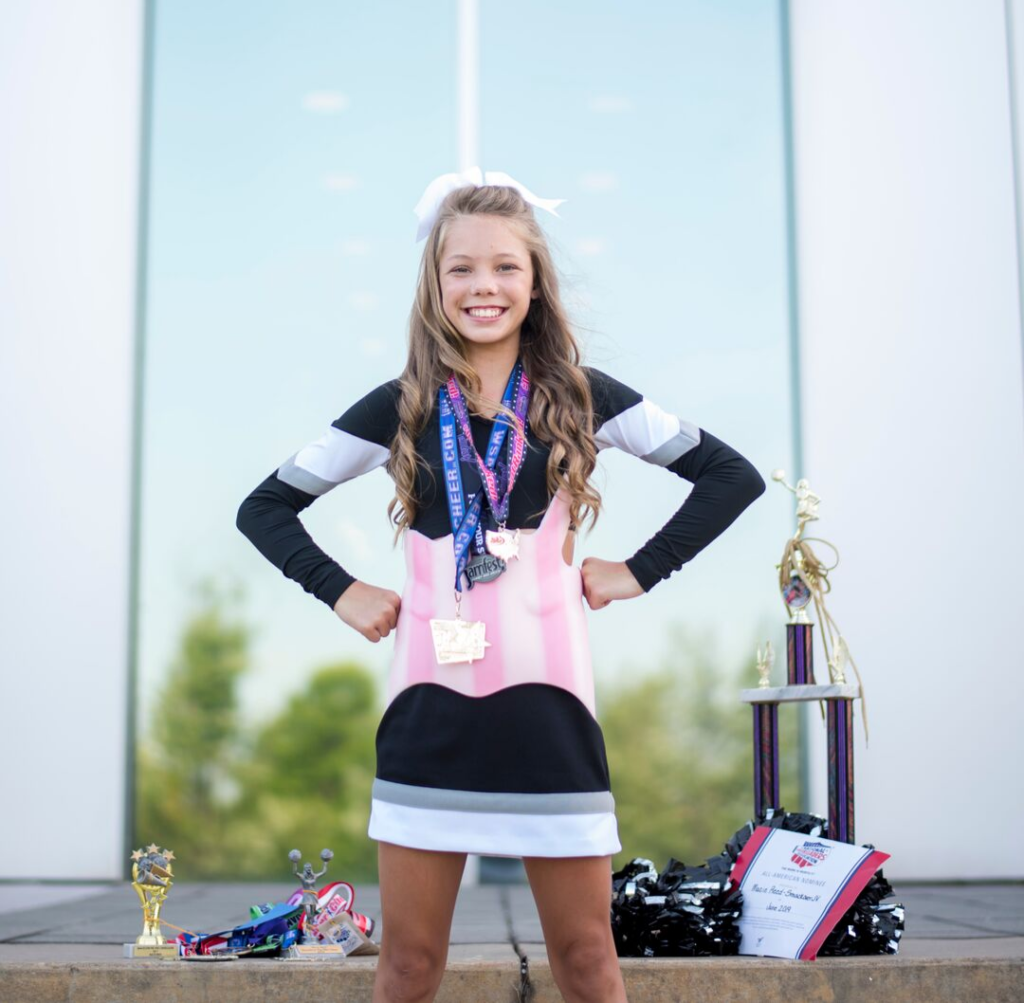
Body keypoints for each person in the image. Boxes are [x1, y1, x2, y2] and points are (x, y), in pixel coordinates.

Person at [236, 171, 765, 1002]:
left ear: (535, 280)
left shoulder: (584, 399)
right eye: (462, 269)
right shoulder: (401, 405)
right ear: (434, 284)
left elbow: (731, 476)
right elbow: (263, 507)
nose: (484, 286)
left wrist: (636, 572)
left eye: (505, 268)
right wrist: (340, 590)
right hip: (427, 715)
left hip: (550, 715)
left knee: (588, 961)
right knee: (408, 967)